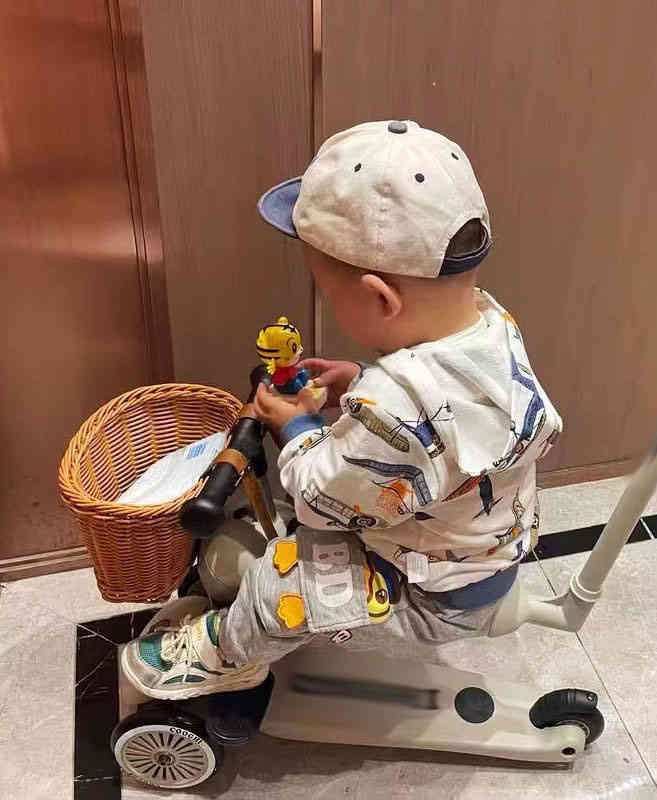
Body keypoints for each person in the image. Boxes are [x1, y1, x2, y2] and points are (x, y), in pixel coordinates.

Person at [121, 120, 562, 699]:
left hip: (433, 595)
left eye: (328, 294)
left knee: (278, 587)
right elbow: (452, 409)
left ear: (380, 297)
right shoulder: (490, 322)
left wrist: (297, 426)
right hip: (480, 552)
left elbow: (320, 499)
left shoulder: (395, 412)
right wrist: (361, 380)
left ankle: (228, 655)